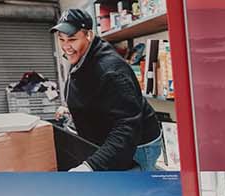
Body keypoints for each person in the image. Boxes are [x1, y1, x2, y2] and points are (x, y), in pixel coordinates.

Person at [50, 8, 165, 171]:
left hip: (139, 146)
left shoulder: (111, 70)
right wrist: (72, 109)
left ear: (88, 35)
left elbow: (127, 126)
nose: (66, 46)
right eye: (61, 40)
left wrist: (91, 166)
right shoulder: (81, 55)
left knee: (138, 188)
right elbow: (95, 93)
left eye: (72, 39)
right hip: (110, 137)